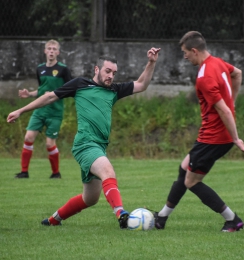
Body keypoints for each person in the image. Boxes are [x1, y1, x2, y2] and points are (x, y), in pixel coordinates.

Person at [7, 47, 161, 229]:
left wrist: (151, 62)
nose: (111, 76)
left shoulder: (114, 90)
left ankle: (53, 219)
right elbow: (49, 97)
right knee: (108, 172)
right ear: (97, 69)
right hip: (85, 144)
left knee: (90, 198)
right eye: (107, 71)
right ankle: (122, 215)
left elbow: (142, 84)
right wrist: (21, 110)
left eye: (114, 73)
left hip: (99, 147)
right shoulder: (80, 84)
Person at [153, 31, 244, 232]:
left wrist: (236, 139)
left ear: (194, 50)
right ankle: (162, 218)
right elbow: (238, 73)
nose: (184, 57)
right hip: (214, 135)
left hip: (214, 137)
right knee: (184, 169)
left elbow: (224, 111)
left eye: (185, 53)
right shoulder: (217, 62)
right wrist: (231, 100)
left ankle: (233, 220)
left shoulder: (204, 77)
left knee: (191, 181)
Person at [15, 39, 72, 179]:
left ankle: (56, 173)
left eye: (54, 49)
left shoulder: (63, 69)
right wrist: (29, 94)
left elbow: (70, 89)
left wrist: (54, 95)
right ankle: (24, 172)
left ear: (58, 52)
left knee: (49, 143)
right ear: (45, 51)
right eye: (49, 49)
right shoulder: (40, 68)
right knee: (28, 137)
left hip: (55, 112)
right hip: (40, 110)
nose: (51, 51)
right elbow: (41, 91)